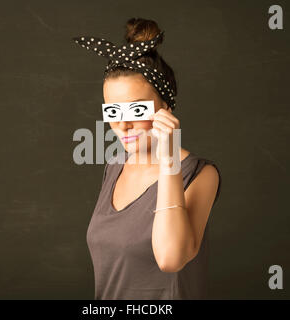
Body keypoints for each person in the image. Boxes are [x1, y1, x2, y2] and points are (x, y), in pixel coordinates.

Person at [74, 18, 221, 299]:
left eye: (136, 111)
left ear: (165, 108)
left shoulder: (200, 174)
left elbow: (170, 258)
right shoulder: (115, 167)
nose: (123, 125)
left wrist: (169, 162)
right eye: (113, 112)